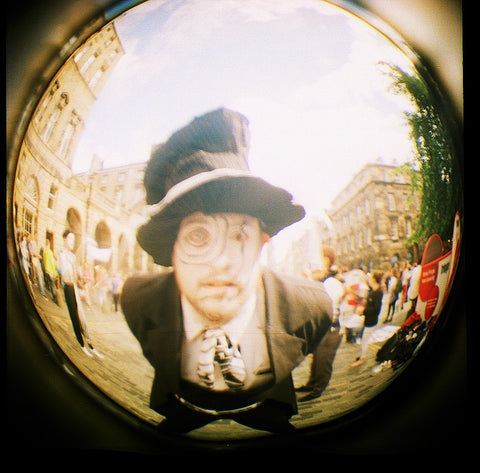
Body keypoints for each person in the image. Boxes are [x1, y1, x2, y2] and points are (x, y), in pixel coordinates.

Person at [121, 108, 333, 434]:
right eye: (197, 235)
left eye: (239, 234)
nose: (221, 260)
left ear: (262, 242)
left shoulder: (311, 306)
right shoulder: (139, 300)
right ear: (172, 250)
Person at [296, 246, 346, 402]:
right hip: (322, 329)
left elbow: (326, 308)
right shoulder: (322, 280)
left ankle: (318, 389)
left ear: (327, 261)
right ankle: (311, 384)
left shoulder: (331, 282)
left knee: (323, 361)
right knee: (316, 359)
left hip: (330, 329)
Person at [58, 230, 104, 358]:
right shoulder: (62, 254)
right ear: (65, 239)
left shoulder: (72, 256)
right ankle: (82, 344)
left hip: (74, 288)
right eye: (70, 239)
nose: (72, 242)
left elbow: (75, 274)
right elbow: (64, 274)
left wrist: (81, 278)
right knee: (75, 317)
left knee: (82, 317)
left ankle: (90, 344)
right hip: (68, 288)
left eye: (74, 239)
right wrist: (72, 275)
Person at [351, 270, 385, 368]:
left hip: (371, 320)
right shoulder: (374, 290)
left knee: (365, 339)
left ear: (374, 279)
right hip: (369, 319)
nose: (369, 280)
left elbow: (376, 309)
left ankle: (362, 358)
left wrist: (364, 310)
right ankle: (361, 355)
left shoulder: (377, 292)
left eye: (370, 278)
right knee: (363, 337)